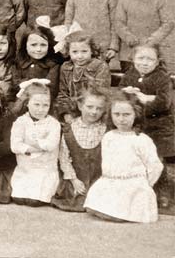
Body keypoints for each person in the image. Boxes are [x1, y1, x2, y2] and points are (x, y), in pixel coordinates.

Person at [84, 91, 163, 223]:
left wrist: (145, 185)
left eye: (126, 115)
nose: (121, 119)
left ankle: (125, 210)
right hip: (110, 181)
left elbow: (155, 166)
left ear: (136, 115)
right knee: (93, 207)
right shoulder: (108, 136)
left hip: (133, 184)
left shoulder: (141, 140)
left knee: (123, 208)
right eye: (117, 114)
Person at [119, 44, 174, 209]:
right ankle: (138, 190)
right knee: (136, 157)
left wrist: (144, 100)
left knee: (157, 158)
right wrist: (127, 93)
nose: (144, 62)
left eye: (150, 59)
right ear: (133, 60)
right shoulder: (130, 75)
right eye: (140, 58)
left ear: (157, 62)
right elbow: (120, 98)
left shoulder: (162, 78)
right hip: (137, 123)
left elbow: (164, 102)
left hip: (160, 124)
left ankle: (163, 190)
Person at [51, 87, 107, 212]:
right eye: (90, 107)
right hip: (76, 178)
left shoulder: (105, 129)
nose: (94, 112)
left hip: (97, 178)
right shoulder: (70, 129)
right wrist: (74, 180)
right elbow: (64, 158)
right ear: (80, 105)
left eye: (99, 108)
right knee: (75, 199)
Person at [114, 0, 174, 72]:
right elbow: (118, 22)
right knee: (130, 81)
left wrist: (153, 39)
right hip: (129, 53)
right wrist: (128, 37)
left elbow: (168, 22)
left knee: (152, 82)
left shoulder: (159, 0)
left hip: (152, 50)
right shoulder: (124, 0)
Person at [10, 79, 61, 206]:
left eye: (45, 105)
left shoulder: (53, 124)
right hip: (25, 168)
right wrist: (37, 148)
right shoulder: (20, 122)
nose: (41, 109)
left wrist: (29, 147)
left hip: (45, 169)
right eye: (36, 104)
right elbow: (15, 146)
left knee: (34, 201)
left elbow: (51, 144)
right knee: (19, 199)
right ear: (27, 103)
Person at [55, 30, 111, 124]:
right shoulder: (65, 67)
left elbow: (100, 94)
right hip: (71, 111)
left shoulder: (100, 66)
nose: (79, 56)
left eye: (84, 51)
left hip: (93, 110)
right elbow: (63, 94)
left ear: (92, 51)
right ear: (68, 52)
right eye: (75, 52)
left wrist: (85, 114)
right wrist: (66, 113)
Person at [12, 24, 61, 113]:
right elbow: (15, 84)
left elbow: (52, 87)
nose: (38, 49)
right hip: (23, 101)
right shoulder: (19, 62)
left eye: (43, 45)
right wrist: (28, 83)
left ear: (49, 46)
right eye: (33, 45)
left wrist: (29, 84)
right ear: (25, 45)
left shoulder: (53, 64)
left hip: (44, 101)